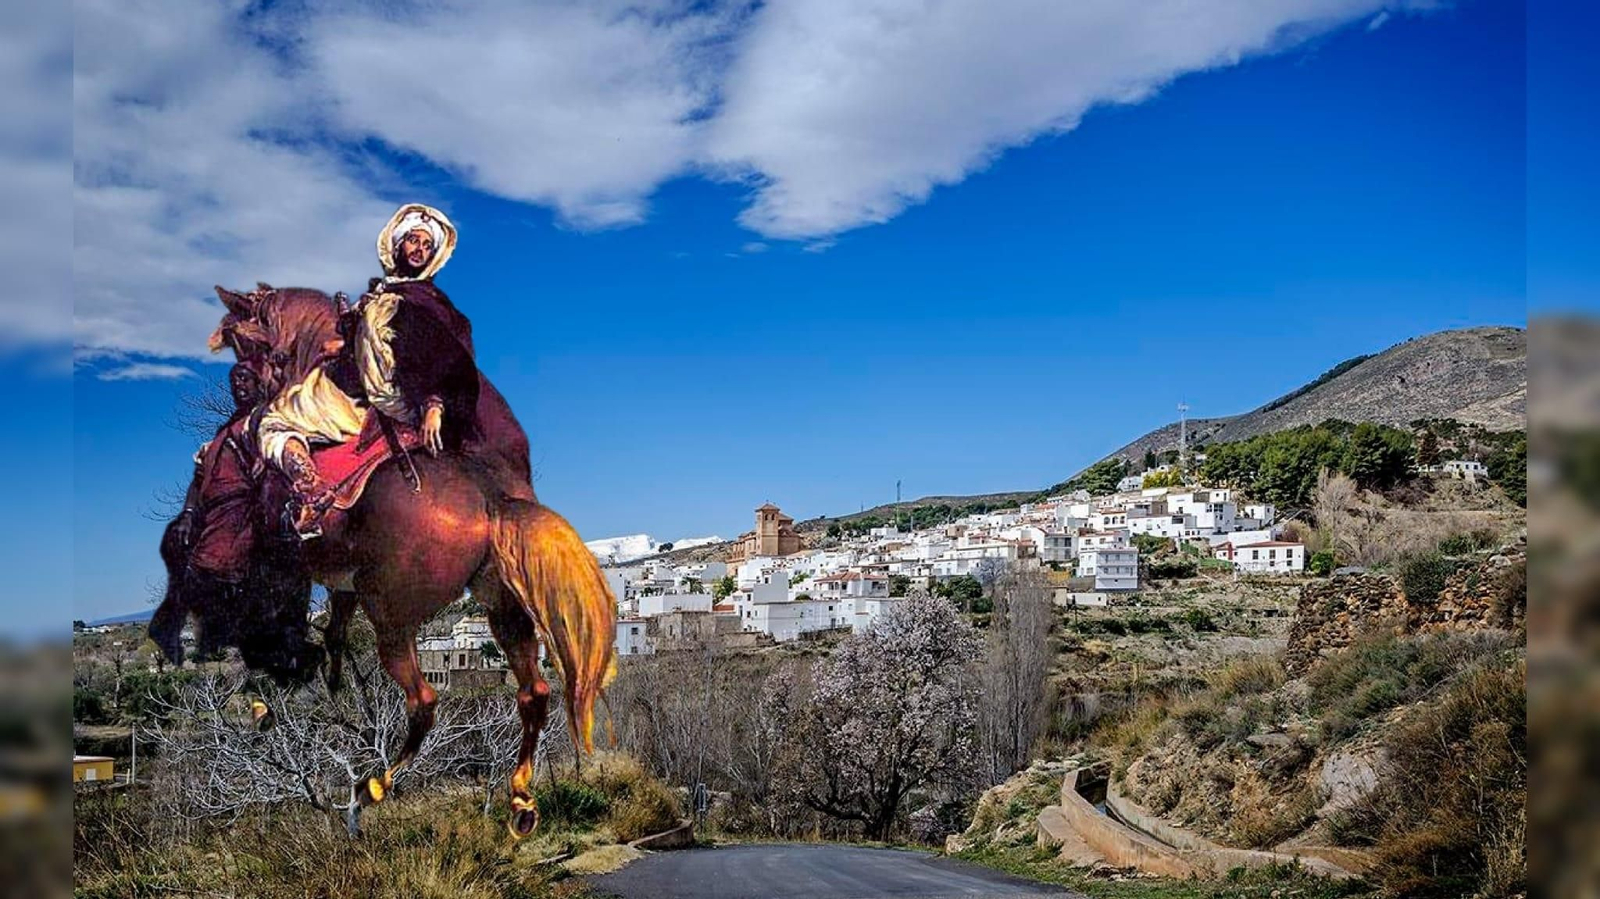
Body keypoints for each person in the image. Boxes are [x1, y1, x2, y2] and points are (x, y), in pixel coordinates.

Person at [257, 203, 534, 537]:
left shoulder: (423, 301)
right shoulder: (385, 294)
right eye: (413, 241)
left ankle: (311, 493)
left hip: (404, 399)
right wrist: (345, 345)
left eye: (426, 245)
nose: (418, 250)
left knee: (274, 420)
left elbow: (441, 354)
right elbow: (380, 347)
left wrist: (434, 404)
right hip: (372, 392)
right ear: (398, 243)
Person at [178, 362, 269, 585]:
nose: (238, 384)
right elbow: (199, 478)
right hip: (216, 513)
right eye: (234, 380)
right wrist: (188, 513)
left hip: (251, 508)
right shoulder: (223, 432)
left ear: (259, 383)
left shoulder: (268, 419)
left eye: (245, 378)